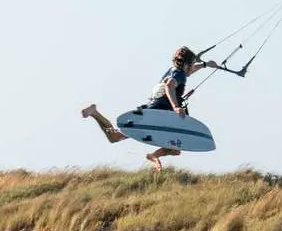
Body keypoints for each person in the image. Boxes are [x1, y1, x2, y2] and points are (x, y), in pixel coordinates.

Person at [81, 47, 219, 170]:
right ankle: (153, 155)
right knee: (175, 148)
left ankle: (94, 112)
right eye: (192, 65)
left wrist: (204, 65)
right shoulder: (179, 75)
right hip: (160, 114)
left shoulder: (174, 70)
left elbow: (185, 74)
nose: (192, 68)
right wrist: (176, 107)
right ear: (187, 65)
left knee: (114, 137)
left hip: (149, 111)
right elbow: (170, 85)